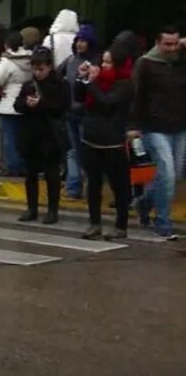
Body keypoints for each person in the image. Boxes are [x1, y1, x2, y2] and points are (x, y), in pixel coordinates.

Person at [128, 26, 185, 240]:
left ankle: (144, 203)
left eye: (175, 44)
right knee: (167, 173)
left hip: (180, 126)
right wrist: (132, 126)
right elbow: (135, 96)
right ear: (158, 43)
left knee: (172, 175)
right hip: (154, 126)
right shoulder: (145, 64)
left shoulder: (181, 61)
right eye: (167, 44)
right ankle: (162, 220)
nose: (171, 49)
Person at [75, 45, 135, 240]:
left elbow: (107, 102)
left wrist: (92, 83)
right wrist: (82, 78)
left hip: (113, 141)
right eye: (103, 61)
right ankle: (94, 223)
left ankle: (121, 225)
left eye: (108, 62)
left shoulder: (125, 84)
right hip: (91, 137)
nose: (103, 65)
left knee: (119, 186)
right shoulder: (97, 80)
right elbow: (78, 97)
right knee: (93, 183)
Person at [14, 48, 70, 224]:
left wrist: (41, 104)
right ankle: (32, 208)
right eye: (35, 69)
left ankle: (52, 210)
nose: (37, 73)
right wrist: (26, 104)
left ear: (49, 67)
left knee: (51, 174)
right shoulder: (29, 85)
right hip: (31, 135)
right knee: (31, 174)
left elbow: (63, 106)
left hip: (50, 135)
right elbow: (17, 105)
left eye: (41, 69)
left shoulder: (60, 84)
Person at [55, 24, 99, 200]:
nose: (81, 44)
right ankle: (74, 187)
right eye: (79, 40)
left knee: (87, 151)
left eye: (84, 41)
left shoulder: (95, 62)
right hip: (70, 112)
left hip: (87, 113)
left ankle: (90, 186)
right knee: (73, 151)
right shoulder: (70, 61)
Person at [0, 32, 33, 176]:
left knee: (9, 139)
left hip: (9, 103)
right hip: (26, 103)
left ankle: (12, 167)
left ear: (6, 45)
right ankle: (23, 166)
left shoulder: (7, 62)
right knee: (23, 139)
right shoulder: (30, 59)